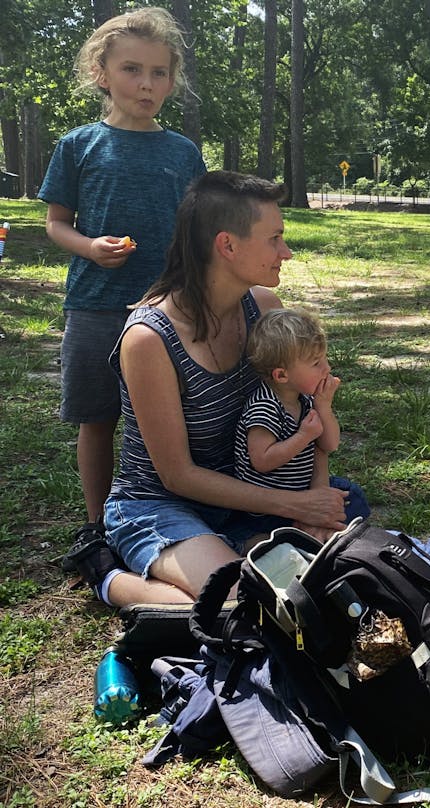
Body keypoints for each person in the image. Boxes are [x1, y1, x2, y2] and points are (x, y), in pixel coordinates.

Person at [74, 171, 356, 607]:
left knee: (340, 547)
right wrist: (296, 506)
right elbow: (177, 475)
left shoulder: (264, 308)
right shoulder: (149, 339)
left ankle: (235, 547)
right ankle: (106, 572)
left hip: (242, 490)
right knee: (245, 602)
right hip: (159, 504)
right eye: (275, 238)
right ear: (227, 245)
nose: (287, 251)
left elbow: (305, 418)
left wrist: (311, 498)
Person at [37, 7, 206, 564]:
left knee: (169, 420)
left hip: (169, 313)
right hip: (96, 306)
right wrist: (90, 247)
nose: (147, 84)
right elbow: (56, 221)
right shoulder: (79, 145)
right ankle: (95, 526)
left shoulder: (182, 152)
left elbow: (198, 228)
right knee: (98, 418)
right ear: (102, 73)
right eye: (133, 70)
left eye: (160, 73)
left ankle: (166, 511)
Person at [235, 307, 370, 532]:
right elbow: (262, 460)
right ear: (281, 375)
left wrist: (323, 407)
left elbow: (330, 444)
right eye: (316, 363)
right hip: (267, 511)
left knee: (352, 495)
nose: (327, 368)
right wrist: (303, 436)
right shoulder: (265, 406)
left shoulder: (305, 399)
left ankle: (323, 534)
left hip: (303, 491)